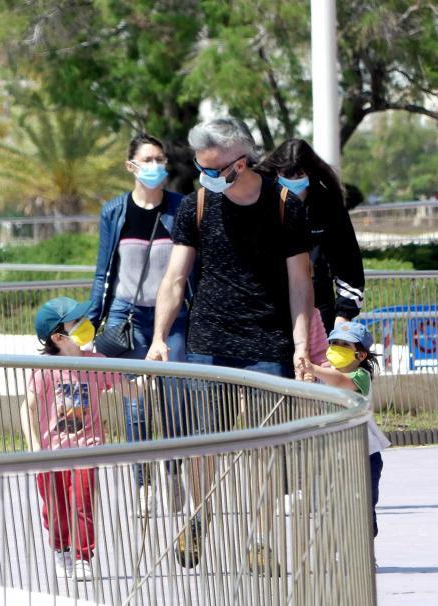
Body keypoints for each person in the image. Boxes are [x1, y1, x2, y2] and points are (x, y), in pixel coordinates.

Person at [147, 118, 313, 567]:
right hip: (210, 344)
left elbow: (301, 282)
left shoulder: (285, 207)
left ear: (241, 163)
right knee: (207, 444)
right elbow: (175, 278)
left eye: (215, 168)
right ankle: (199, 518)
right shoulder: (197, 205)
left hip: (268, 345)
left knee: (264, 450)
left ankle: (259, 541)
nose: (207, 176)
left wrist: (300, 345)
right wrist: (160, 338)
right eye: (201, 167)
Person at [87, 133, 189, 517]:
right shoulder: (114, 211)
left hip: (172, 316)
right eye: (148, 159)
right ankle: (143, 482)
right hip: (126, 316)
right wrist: (93, 320)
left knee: (174, 394)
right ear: (131, 166)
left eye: (160, 159)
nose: (156, 166)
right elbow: (103, 273)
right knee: (136, 403)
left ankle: (174, 470)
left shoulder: (180, 208)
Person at [20, 297, 133, 581]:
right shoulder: (46, 368)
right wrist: (34, 445)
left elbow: (128, 390)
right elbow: (27, 407)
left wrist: (152, 376)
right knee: (54, 505)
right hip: (52, 452)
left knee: (82, 502)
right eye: (76, 323)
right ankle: (62, 548)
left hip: (87, 448)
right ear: (58, 337)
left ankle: (83, 555)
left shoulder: (97, 363)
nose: (85, 325)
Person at [256, 139, 365, 333]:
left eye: (299, 174)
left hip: (318, 309)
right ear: (276, 172)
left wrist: (343, 317)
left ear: (311, 172)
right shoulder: (261, 202)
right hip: (269, 311)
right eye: (287, 174)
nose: (293, 179)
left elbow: (349, 265)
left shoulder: (327, 205)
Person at [301, 322, 389, 540]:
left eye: (344, 345)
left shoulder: (361, 376)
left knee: (364, 504)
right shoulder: (327, 374)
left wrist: (314, 369)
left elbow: (342, 381)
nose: (336, 348)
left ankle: (365, 544)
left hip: (364, 454)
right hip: (334, 453)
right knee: (336, 504)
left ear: (360, 354)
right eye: (334, 343)